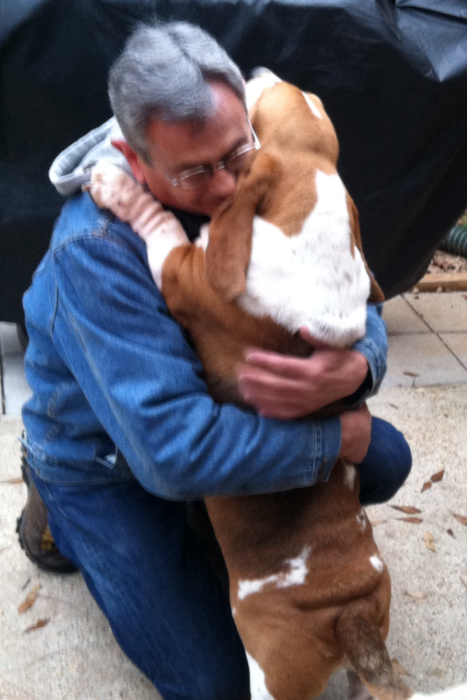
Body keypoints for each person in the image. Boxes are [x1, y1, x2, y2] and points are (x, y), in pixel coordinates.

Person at [18, 20, 411, 700]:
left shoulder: (257, 164)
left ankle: (216, 523)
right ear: (131, 160)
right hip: (114, 461)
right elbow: (172, 453)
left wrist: (358, 368)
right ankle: (57, 506)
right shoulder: (94, 252)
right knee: (216, 683)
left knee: (385, 458)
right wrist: (325, 439)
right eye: (198, 172)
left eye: (238, 153)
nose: (230, 185)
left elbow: (351, 293)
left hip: (216, 419)